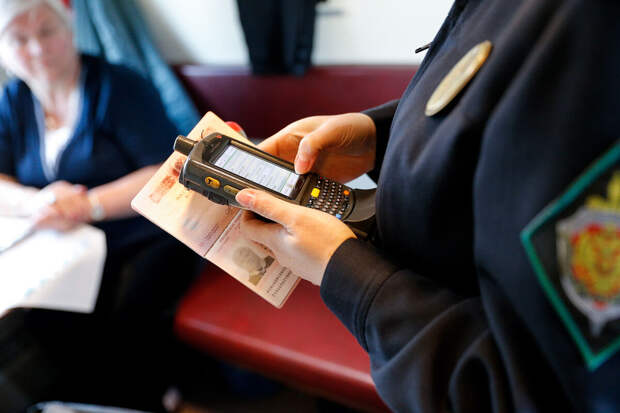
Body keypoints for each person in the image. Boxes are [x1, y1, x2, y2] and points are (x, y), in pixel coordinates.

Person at [234, 0, 620, 412]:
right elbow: (496, 104)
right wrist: (381, 138)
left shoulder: (594, 27)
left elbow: (531, 394)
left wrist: (347, 275)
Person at [0, 0, 198, 410]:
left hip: (140, 232)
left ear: (70, 30)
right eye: (18, 39)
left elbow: (163, 171)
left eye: (47, 31)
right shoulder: (12, 99)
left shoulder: (119, 86)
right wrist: (41, 201)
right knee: (42, 314)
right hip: (60, 238)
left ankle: (146, 397)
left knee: (122, 314)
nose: (36, 48)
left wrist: (85, 205)